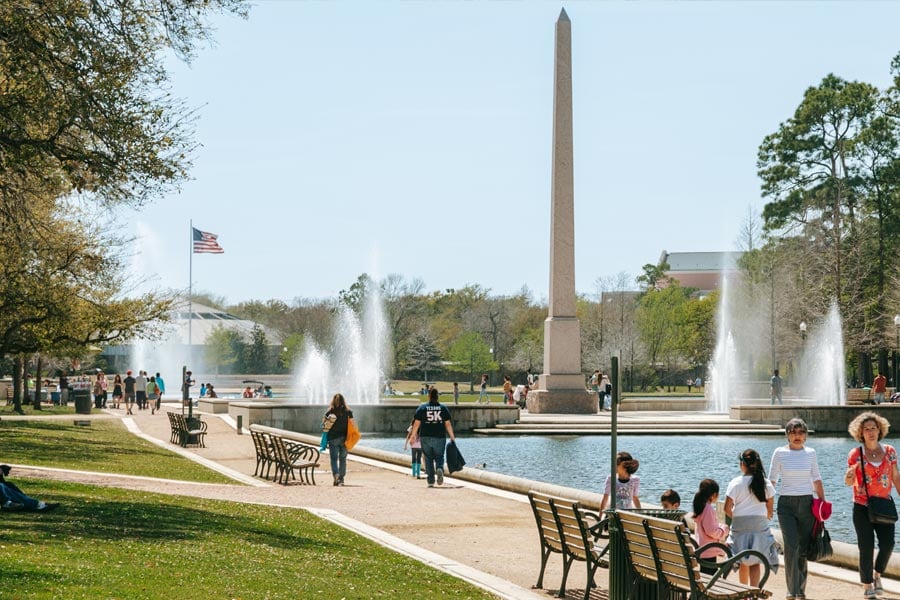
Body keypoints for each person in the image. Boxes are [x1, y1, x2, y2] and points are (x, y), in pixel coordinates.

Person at [769, 417, 826, 600]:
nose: (797, 435)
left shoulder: (811, 453)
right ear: (787, 435)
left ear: (806, 435)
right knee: (791, 546)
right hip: (786, 505)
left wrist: (823, 503)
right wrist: (767, 505)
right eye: (793, 432)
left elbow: (816, 478)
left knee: (802, 547)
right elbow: (771, 481)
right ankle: (791, 589)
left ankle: (800, 589)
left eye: (801, 432)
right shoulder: (779, 452)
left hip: (807, 504)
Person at [844, 412, 900, 598]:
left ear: (879, 430)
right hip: (862, 507)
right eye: (866, 429)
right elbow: (849, 482)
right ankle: (867, 585)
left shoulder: (890, 451)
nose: (870, 432)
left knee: (888, 544)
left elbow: (895, 477)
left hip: (884, 505)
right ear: (861, 433)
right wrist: (849, 476)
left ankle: (877, 574)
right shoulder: (856, 454)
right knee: (866, 547)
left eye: (873, 428)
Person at [725, 449, 778, 587]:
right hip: (759, 526)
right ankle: (754, 591)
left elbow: (726, 508)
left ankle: (744, 592)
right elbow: (769, 511)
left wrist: (735, 518)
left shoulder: (735, 483)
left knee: (743, 560)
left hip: (740, 526)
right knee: (755, 561)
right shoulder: (766, 483)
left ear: (742, 464)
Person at [410, 387, 456, 488]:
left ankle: (431, 480)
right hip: (440, 436)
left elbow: (416, 423)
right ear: (437, 396)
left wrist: (413, 436)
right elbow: (448, 424)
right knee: (439, 456)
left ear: (429, 396)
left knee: (428, 458)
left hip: (425, 436)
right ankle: (439, 468)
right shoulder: (443, 408)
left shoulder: (422, 408)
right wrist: (452, 436)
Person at [691, 478, 730, 574]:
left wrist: (720, 526)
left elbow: (707, 526)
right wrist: (723, 531)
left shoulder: (700, 506)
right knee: (711, 574)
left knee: (706, 573)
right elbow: (711, 531)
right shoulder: (708, 509)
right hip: (708, 550)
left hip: (701, 548)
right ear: (714, 495)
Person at [324, 393, 354, 486]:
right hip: (345, 439)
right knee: (343, 459)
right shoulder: (348, 412)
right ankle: (341, 479)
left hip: (333, 438)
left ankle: (336, 475)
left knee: (334, 459)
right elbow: (352, 425)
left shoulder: (330, 412)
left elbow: (324, 425)